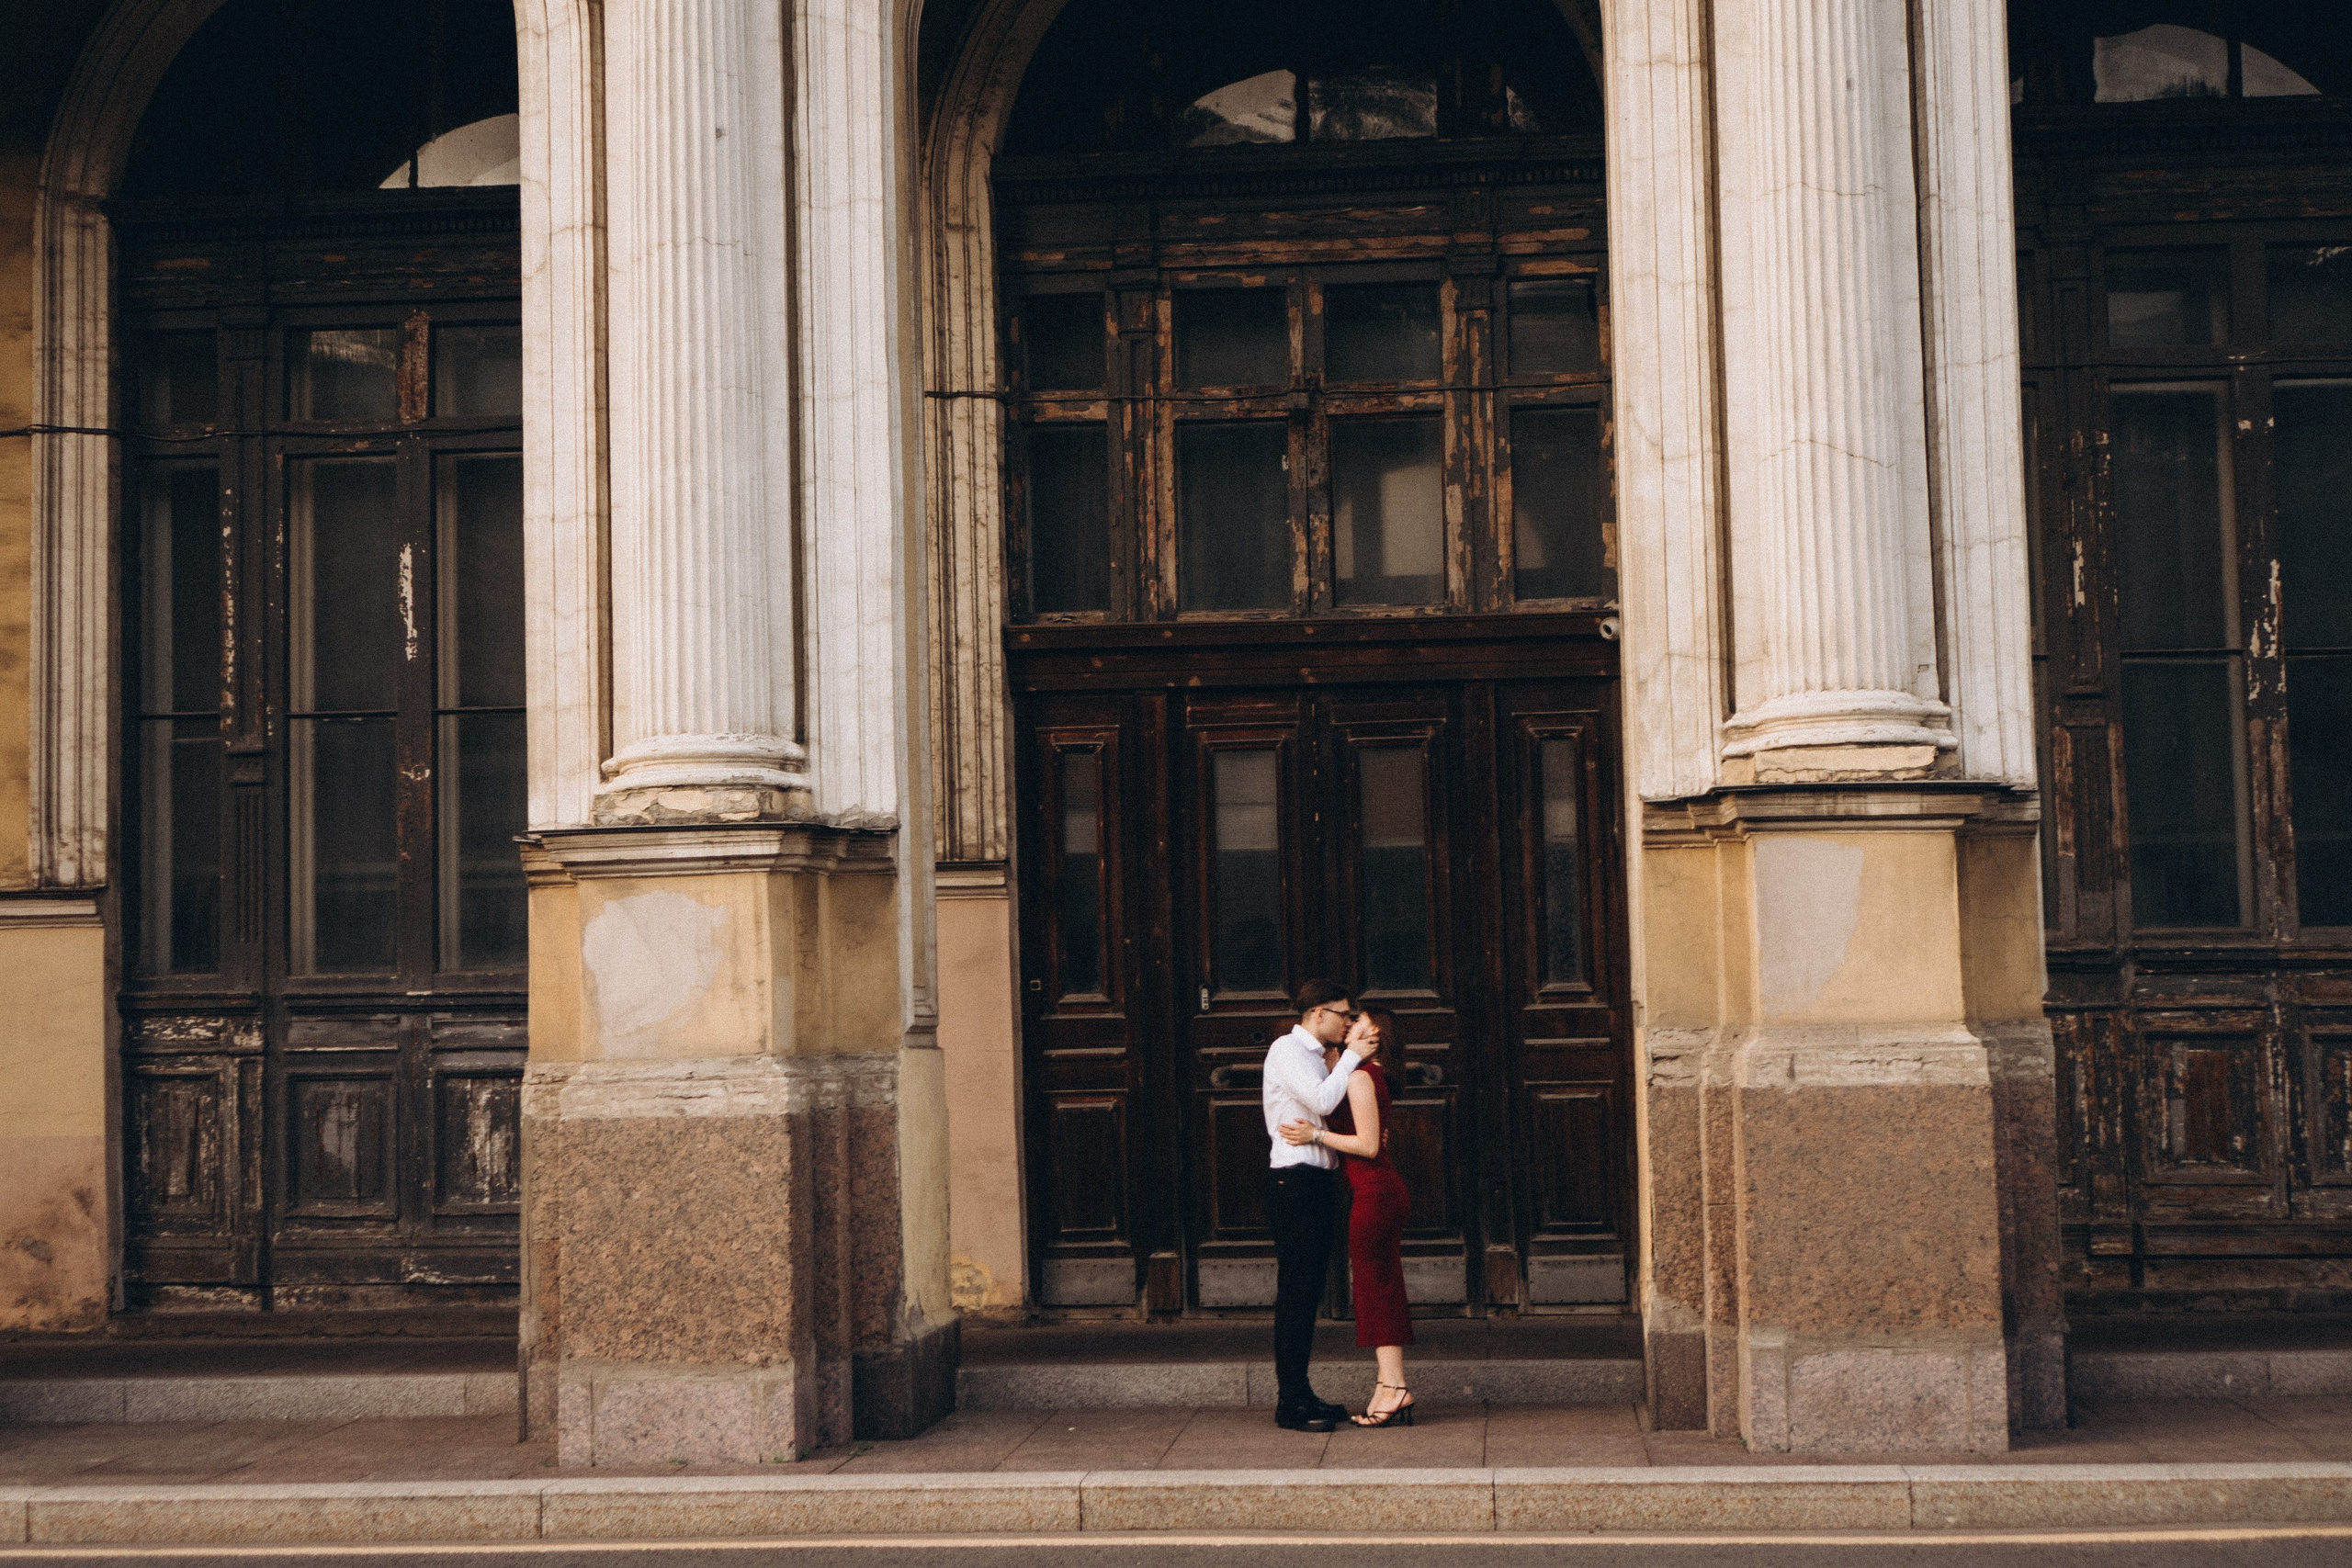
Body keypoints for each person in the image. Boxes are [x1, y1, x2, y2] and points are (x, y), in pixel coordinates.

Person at [1281, 1007, 1415, 1427]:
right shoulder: (1359, 1073)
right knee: (1380, 1287)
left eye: (1358, 1020)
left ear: (1374, 1033)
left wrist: (1315, 1135)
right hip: (1375, 1192)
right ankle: (1389, 1386)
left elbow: (1370, 1146)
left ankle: (1394, 1388)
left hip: (1375, 1195)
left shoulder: (1361, 1076)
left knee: (1376, 1289)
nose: (1349, 1022)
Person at [1261, 977, 1366, 1433]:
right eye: (1343, 1014)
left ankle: (1302, 1392)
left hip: (1319, 1180)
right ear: (1317, 1014)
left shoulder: (1319, 1057)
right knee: (1297, 1292)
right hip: (1295, 1181)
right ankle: (1290, 1401)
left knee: (1309, 1292)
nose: (1349, 1022)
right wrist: (1354, 1059)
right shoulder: (1287, 1050)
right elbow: (1323, 1100)